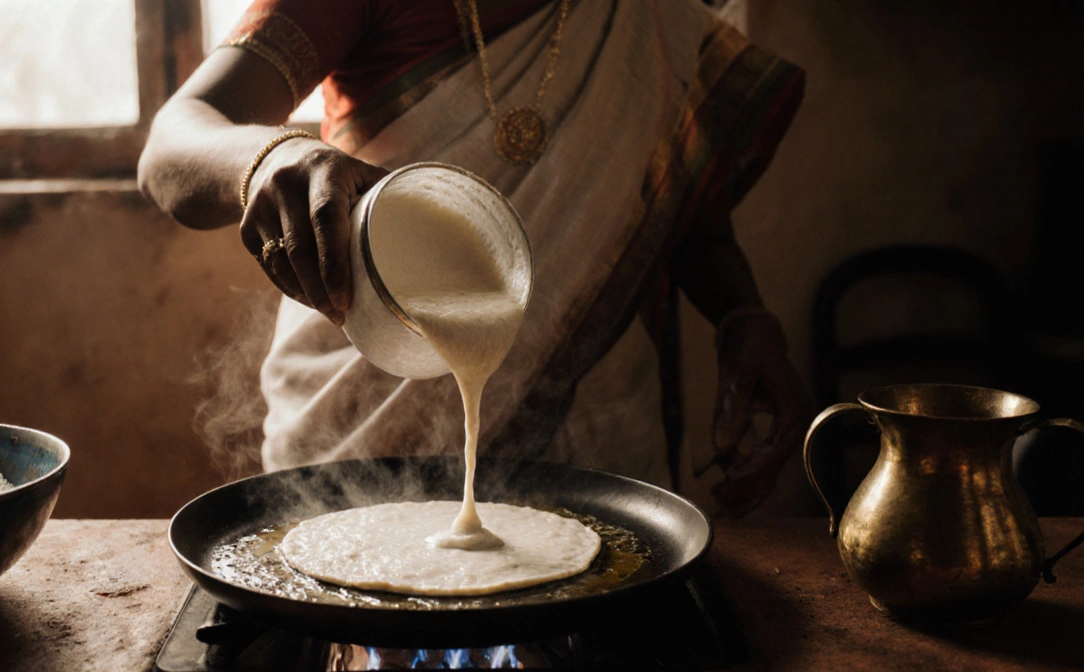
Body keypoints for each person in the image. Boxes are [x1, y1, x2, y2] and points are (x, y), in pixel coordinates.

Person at [138, 0, 812, 517]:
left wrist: (746, 319)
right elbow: (172, 142)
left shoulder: (647, 13)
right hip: (364, 417)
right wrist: (270, 159)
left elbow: (678, 191)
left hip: (598, 431)